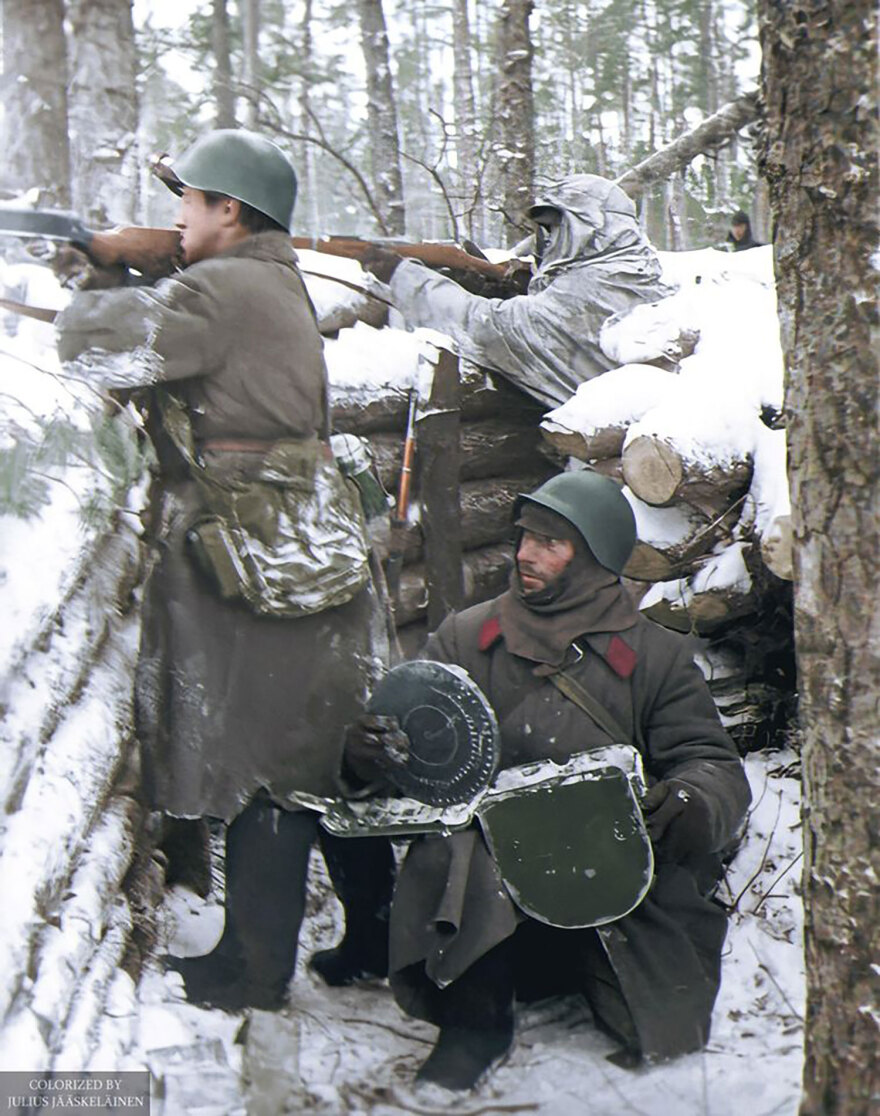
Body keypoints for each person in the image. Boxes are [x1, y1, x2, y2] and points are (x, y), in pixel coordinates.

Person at [53, 129, 395, 1011]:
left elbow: (97, 350)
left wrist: (98, 266)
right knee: (319, 748)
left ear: (229, 212)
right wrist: (140, 267)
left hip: (251, 548)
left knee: (265, 767)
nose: (176, 214)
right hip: (294, 540)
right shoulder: (269, 278)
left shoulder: (226, 284)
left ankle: (253, 971)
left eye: (189, 200)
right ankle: (373, 942)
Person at [343, 470, 752, 1090]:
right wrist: (368, 756)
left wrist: (691, 801)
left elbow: (712, 762)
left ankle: (580, 976)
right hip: (484, 905)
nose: (526, 555)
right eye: (525, 538)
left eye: (551, 543)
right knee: (468, 837)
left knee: (656, 1028)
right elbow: (414, 759)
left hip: (604, 894)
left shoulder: (655, 657)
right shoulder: (466, 638)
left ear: (593, 559)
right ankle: (474, 1026)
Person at [362, 174, 671, 409]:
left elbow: (486, 327)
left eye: (556, 228)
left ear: (588, 227)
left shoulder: (585, 290)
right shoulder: (640, 273)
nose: (550, 239)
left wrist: (402, 275)